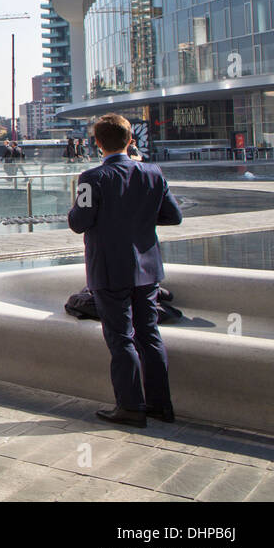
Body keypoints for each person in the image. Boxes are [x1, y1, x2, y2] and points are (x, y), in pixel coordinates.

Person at [67, 114, 182, 429]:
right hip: (147, 270)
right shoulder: (153, 173)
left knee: (121, 339)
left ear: (97, 143)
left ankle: (131, 407)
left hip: (109, 270)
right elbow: (173, 216)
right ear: (131, 140)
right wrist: (138, 217)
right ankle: (160, 405)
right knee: (149, 335)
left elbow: (79, 222)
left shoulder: (91, 177)